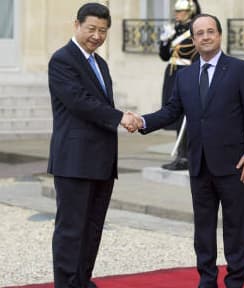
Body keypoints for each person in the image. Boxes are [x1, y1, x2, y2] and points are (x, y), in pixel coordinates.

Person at [131, 14, 244, 288]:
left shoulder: (240, 69)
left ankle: (236, 281)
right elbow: (171, 111)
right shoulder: (185, 75)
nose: (205, 37)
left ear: (219, 35)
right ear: (193, 39)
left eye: (210, 31)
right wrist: (143, 121)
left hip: (234, 164)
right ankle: (207, 279)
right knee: (203, 229)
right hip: (199, 164)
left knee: (235, 227)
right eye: (199, 33)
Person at [47, 3, 138, 287]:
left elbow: (99, 104)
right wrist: (121, 117)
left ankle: (82, 280)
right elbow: (79, 102)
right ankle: (66, 283)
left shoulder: (101, 64)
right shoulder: (62, 60)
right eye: (91, 29)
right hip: (74, 160)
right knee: (71, 230)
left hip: (101, 160)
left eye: (102, 30)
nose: (97, 36)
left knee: (93, 228)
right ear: (76, 25)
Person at [158, 0, 201, 170]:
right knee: (175, 115)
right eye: (177, 11)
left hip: (186, 73)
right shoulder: (174, 29)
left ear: (190, 11)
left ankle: (186, 156)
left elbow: (197, 56)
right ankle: (180, 155)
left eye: (181, 11)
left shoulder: (194, 30)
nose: (178, 14)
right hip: (172, 74)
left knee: (186, 117)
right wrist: (164, 41)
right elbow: (164, 56)